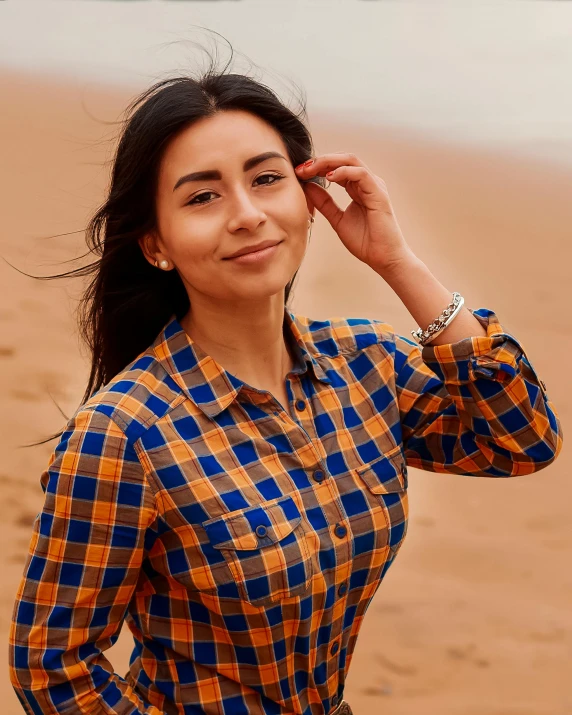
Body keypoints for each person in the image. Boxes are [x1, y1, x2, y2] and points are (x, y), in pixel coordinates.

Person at [8, 58, 563, 715]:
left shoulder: (367, 364)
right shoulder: (123, 435)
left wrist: (396, 260)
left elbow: (520, 439)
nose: (246, 214)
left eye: (267, 179)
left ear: (308, 200)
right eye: (202, 196)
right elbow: (52, 666)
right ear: (156, 244)